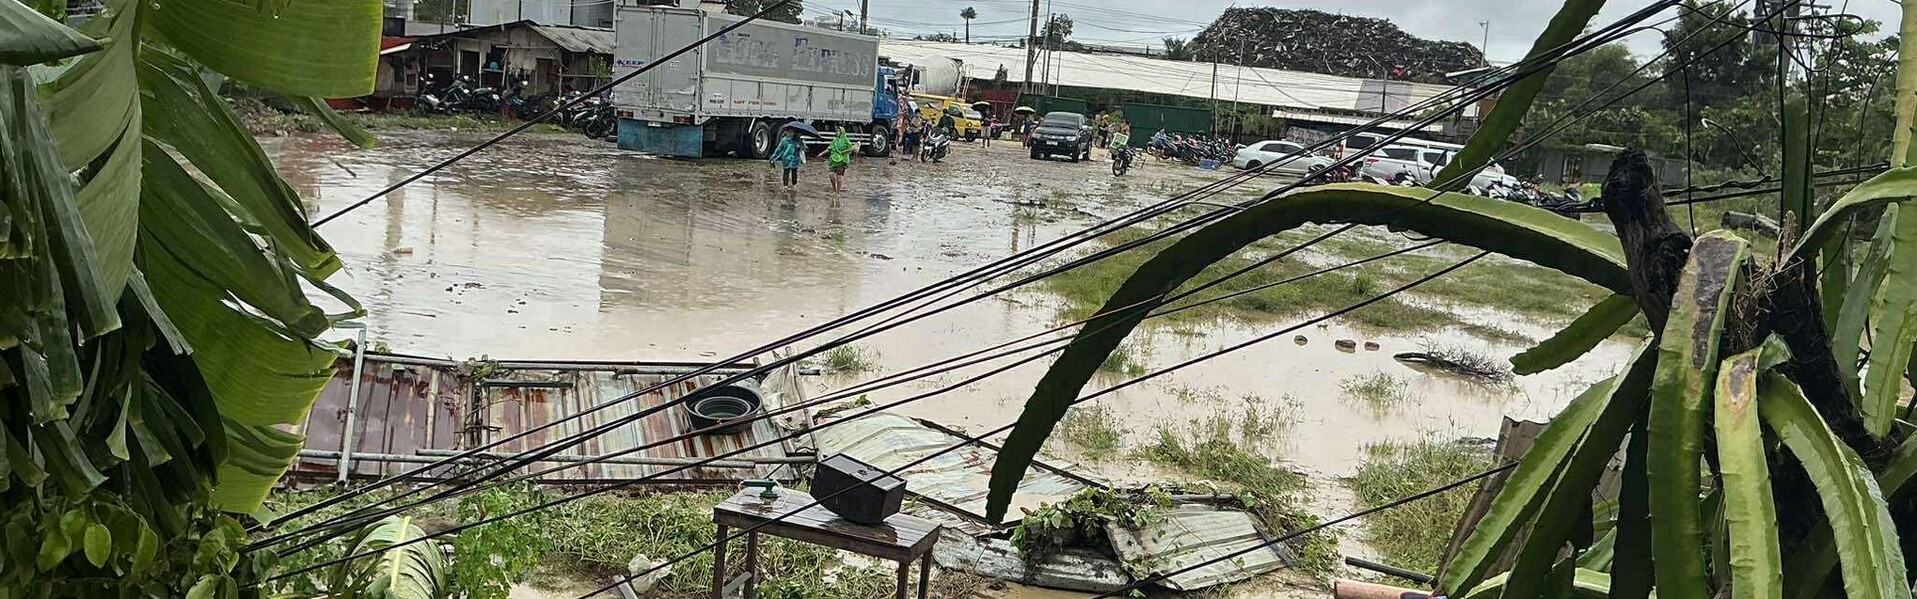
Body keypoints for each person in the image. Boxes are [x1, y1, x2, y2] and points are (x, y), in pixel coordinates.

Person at [827, 128, 854, 192]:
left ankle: (838, 191)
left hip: (842, 160)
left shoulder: (845, 140)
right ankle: (834, 189)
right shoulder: (835, 140)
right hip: (833, 160)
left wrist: (843, 152)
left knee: (839, 177)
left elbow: (851, 148)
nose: (837, 132)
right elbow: (829, 148)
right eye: (836, 131)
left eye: (839, 131)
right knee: (831, 175)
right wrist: (821, 153)